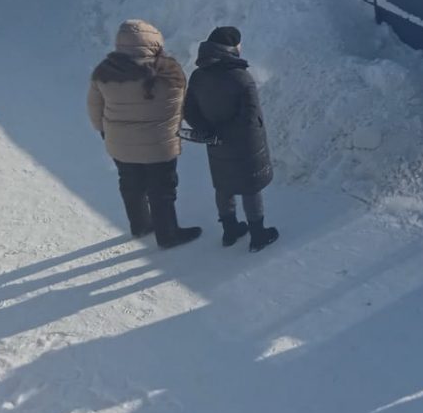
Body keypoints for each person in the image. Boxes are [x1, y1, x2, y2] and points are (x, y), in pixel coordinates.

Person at [87, 20, 202, 249]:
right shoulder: (170, 72)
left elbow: (94, 107)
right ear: (154, 42)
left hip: (120, 143)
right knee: (162, 189)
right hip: (160, 144)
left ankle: (140, 225)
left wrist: (103, 130)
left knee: (130, 184)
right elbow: (179, 105)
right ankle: (168, 235)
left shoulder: (104, 72)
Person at [182, 26, 279, 252]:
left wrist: (208, 130)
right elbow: (250, 116)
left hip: (216, 143)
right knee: (250, 187)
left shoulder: (198, 76)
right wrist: (225, 131)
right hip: (245, 144)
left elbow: (189, 110)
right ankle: (258, 235)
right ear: (231, 47)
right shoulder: (241, 78)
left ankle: (230, 230)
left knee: (223, 185)